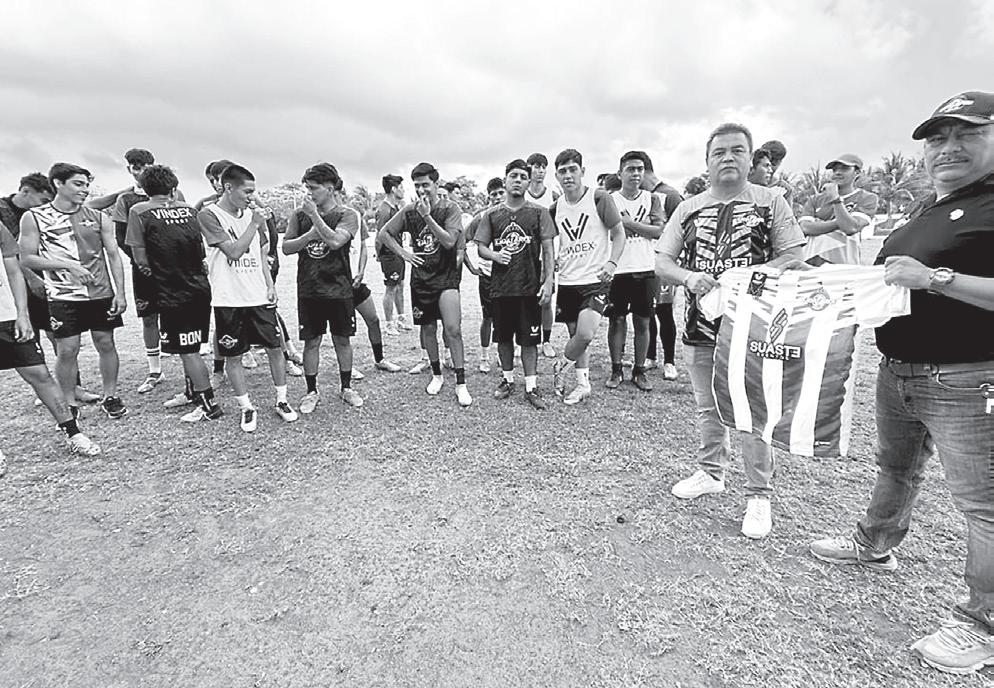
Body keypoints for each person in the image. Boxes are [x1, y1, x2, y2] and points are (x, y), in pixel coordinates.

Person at [808, 91, 994, 675]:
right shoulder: (928, 208)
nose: (948, 148)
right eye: (937, 138)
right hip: (900, 370)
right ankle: (875, 544)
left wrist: (937, 278)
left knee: (983, 504)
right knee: (896, 468)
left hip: (969, 376)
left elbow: (925, 278)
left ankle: (982, 623)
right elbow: (884, 278)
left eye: (967, 134)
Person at [655, 123, 805, 540]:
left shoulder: (770, 202)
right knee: (709, 406)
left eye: (737, 150)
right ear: (706, 161)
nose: (727, 157)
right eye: (719, 152)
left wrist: (756, 275)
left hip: (755, 328)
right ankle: (711, 472)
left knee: (754, 411)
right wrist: (689, 278)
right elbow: (663, 261)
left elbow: (794, 253)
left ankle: (759, 495)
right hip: (700, 325)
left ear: (750, 158)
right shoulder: (688, 208)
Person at [19, 163, 130, 420]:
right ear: (58, 183)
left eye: (86, 185)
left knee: (106, 342)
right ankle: (69, 402)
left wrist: (120, 293)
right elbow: (27, 258)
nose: (85, 190)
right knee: (68, 349)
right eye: (78, 184)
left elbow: (113, 255)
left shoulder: (98, 217)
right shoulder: (34, 217)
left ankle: (110, 396)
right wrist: (67, 265)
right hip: (63, 294)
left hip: (100, 293)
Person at [198, 164, 297, 431]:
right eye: (248, 191)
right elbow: (233, 252)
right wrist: (254, 223)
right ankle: (246, 407)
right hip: (229, 299)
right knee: (234, 355)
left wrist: (270, 285)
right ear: (228, 187)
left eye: (254, 191)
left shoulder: (253, 215)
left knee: (275, 348)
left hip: (258, 296)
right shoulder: (209, 215)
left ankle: (282, 400)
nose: (252, 197)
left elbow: (261, 254)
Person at [125, 165, 221, 422]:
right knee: (189, 345)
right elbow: (200, 250)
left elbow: (139, 258)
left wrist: (156, 275)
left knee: (188, 350)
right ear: (173, 187)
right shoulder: (190, 210)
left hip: (171, 291)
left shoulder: (139, 211)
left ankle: (208, 405)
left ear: (145, 188)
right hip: (199, 287)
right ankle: (192, 393)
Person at [1, 222, 101, 456]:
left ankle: (74, 433)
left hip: (6, 316)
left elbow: (13, 271)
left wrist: (22, 314)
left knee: (40, 375)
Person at [378, 162, 472, 407]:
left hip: (446, 277)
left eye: (426, 185)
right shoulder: (409, 210)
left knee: (453, 329)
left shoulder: (450, 208)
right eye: (417, 185)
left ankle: (461, 383)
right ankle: (436, 374)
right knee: (428, 329)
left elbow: (449, 241)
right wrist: (404, 254)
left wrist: (427, 216)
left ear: (436, 184)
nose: (421, 190)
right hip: (421, 280)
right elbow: (384, 234)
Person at [0, 174, 100, 404]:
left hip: (48, 282)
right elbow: (11, 256)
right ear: (25, 191)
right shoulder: (3, 211)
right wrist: (31, 278)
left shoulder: (44, 214)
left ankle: (72, 387)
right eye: (43, 200)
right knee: (28, 337)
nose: (45, 205)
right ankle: (45, 390)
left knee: (60, 336)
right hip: (15, 287)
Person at [281, 163, 364, 412]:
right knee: (311, 342)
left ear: (329, 188)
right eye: (307, 188)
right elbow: (286, 248)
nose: (309, 193)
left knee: (342, 340)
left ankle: (346, 387)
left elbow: (337, 241)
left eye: (313, 188)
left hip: (339, 288)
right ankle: (311, 391)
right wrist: (308, 236)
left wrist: (315, 218)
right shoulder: (299, 215)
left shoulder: (347, 215)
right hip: (310, 289)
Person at [474, 159, 556, 409]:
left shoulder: (539, 212)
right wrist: (495, 255)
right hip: (501, 288)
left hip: (529, 287)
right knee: (504, 338)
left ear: (529, 182)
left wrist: (548, 280)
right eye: (514, 176)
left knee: (529, 340)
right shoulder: (492, 215)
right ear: (505, 180)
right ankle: (508, 380)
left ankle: (531, 386)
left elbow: (548, 249)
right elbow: (480, 247)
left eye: (523, 176)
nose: (518, 180)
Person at [549, 148, 626, 405]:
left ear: (582, 171)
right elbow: (551, 242)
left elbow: (619, 233)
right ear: (556, 176)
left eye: (573, 169)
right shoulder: (555, 208)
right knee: (576, 336)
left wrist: (612, 263)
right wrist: (553, 262)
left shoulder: (599, 197)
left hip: (596, 280)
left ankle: (561, 365)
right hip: (568, 281)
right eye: (562, 171)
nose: (568, 176)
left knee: (585, 334)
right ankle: (583, 384)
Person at [111, 148, 186, 394]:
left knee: (178, 316)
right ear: (129, 169)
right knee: (149, 317)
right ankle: (155, 370)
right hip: (144, 271)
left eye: (145, 166)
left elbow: (183, 231)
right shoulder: (126, 200)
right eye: (136, 167)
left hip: (174, 270)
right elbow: (122, 238)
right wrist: (142, 261)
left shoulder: (174, 194)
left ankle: (189, 371)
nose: (140, 171)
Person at [606, 151, 665, 392]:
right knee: (617, 320)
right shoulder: (610, 200)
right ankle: (616, 369)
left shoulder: (652, 199)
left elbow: (658, 231)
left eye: (640, 169)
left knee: (643, 321)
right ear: (620, 173)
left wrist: (630, 224)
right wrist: (643, 227)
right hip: (618, 269)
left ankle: (639, 371)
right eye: (631, 169)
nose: (636, 173)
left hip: (646, 268)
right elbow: (610, 233)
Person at [335, 178, 402, 378]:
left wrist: (361, 271)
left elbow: (363, 246)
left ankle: (380, 359)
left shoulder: (355, 217)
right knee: (343, 331)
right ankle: (347, 368)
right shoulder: (327, 219)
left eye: (338, 193)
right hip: (338, 285)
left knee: (373, 319)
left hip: (357, 282)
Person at [799, 154, 879, 265]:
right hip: (811, 265)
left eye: (844, 169)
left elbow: (850, 228)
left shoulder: (867, 198)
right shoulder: (815, 199)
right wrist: (840, 222)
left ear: (857, 173)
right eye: (835, 169)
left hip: (844, 267)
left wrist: (835, 199)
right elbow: (805, 228)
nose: (838, 172)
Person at [464, 177, 505, 373]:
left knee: (505, 318)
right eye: (493, 195)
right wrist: (471, 267)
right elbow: (461, 241)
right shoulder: (481, 218)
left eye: (500, 193)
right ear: (489, 197)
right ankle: (484, 356)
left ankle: (502, 353)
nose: (497, 197)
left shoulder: (514, 214)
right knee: (487, 317)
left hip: (508, 276)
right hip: (487, 275)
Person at [525, 153, 559, 358]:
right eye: (536, 166)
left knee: (546, 300)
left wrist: (557, 255)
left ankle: (546, 340)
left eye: (543, 167)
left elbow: (560, 228)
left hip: (546, 256)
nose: (540, 170)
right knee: (525, 301)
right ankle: (525, 339)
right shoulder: (522, 195)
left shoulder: (554, 196)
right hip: (525, 257)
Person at [375, 174, 412, 335]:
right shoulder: (384, 210)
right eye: (401, 187)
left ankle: (401, 318)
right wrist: (379, 254)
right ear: (393, 189)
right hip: (389, 254)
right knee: (391, 288)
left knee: (400, 285)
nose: (403, 190)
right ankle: (389, 324)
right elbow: (380, 236)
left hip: (398, 252)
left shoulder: (397, 207)